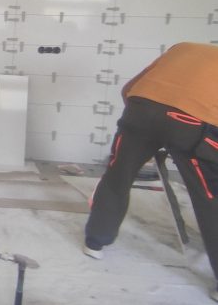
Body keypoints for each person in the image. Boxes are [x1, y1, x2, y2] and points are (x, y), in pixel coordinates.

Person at [83, 42, 218, 302]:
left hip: (140, 109)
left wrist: (144, 125)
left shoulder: (183, 48)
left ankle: (95, 242)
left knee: (117, 176)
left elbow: (128, 88)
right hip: (191, 123)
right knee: (210, 197)